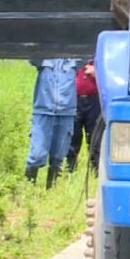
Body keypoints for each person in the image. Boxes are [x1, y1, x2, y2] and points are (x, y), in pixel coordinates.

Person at [26, 59, 79, 189]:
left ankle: (51, 191)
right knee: (37, 154)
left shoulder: (75, 57)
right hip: (43, 110)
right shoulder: (44, 55)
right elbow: (32, 57)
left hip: (66, 112)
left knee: (58, 158)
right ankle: (29, 188)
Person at [67, 59, 101, 172]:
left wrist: (97, 71)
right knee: (73, 136)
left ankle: (96, 171)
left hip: (94, 99)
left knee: (94, 137)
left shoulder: (98, 53)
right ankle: (70, 170)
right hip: (74, 99)